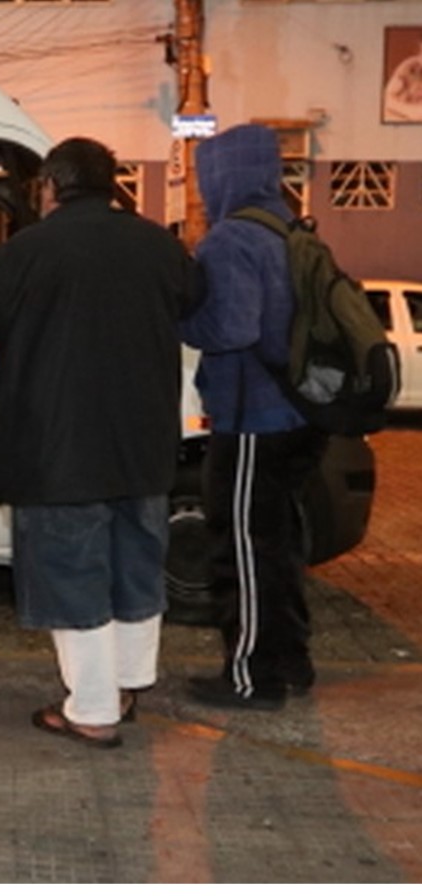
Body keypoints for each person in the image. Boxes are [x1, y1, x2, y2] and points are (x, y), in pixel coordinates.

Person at [0, 137, 191, 748]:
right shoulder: (159, 245)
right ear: (111, 184)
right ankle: (130, 683)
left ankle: (92, 709)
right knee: (136, 566)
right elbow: (195, 309)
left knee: (73, 573)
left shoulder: (29, 248)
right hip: (144, 443)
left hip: (57, 447)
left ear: (51, 188)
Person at [179, 123, 328, 711]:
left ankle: (251, 677)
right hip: (299, 415)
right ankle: (292, 660)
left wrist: (179, 322)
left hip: (251, 420)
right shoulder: (287, 227)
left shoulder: (230, 239)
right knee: (279, 545)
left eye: (204, 174)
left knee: (240, 548)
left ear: (224, 174)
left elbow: (232, 328)